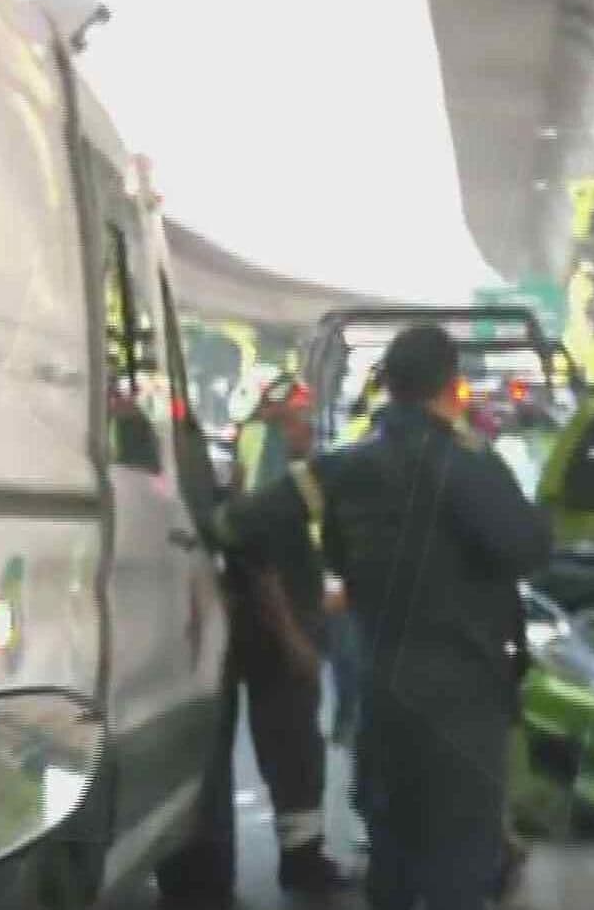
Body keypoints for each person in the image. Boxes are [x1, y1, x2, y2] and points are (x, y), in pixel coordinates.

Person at [300, 323, 551, 910]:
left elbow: (335, 553)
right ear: (452, 386)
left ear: (388, 385)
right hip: (462, 692)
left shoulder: (348, 465)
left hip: (380, 686)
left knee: (391, 850)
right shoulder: (470, 463)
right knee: (459, 858)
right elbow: (528, 547)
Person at [222, 373, 355, 892]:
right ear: (277, 416)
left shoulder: (266, 459)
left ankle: (302, 855)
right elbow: (262, 563)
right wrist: (295, 638)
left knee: (293, 747)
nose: (309, 428)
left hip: (275, 626)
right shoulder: (270, 465)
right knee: (294, 749)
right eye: (300, 417)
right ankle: (302, 862)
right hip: (276, 635)